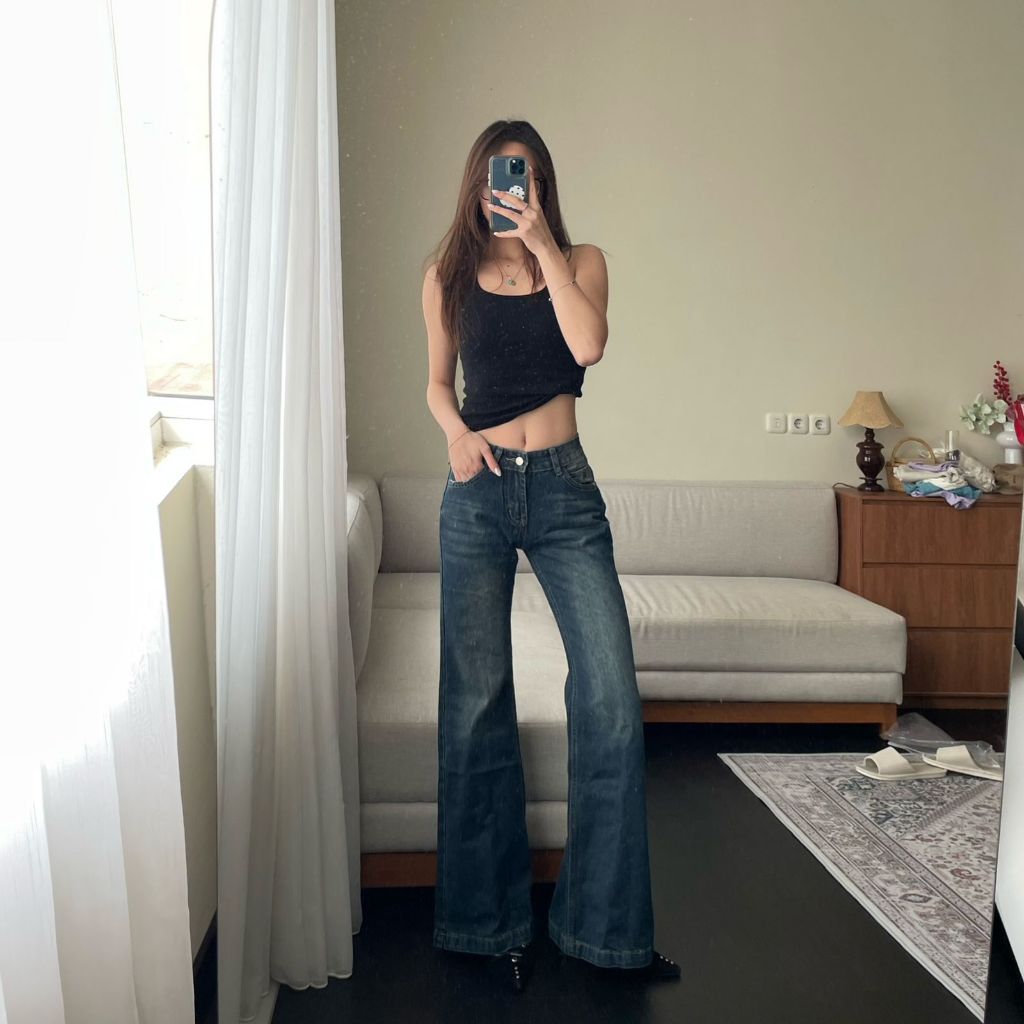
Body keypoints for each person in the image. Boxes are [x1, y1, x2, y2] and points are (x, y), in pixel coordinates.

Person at [422, 120, 680, 992]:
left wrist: (542, 248)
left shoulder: (583, 262)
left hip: (565, 488)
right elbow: (437, 382)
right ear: (478, 183)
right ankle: (483, 925)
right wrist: (456, 434)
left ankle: (604, 933)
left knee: (611, 700)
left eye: (526, 178)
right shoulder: (445, 276)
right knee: (474, 703)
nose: (512, 189)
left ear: (542, 187)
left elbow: (588, 346)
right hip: (478, 490)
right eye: (502, 176)